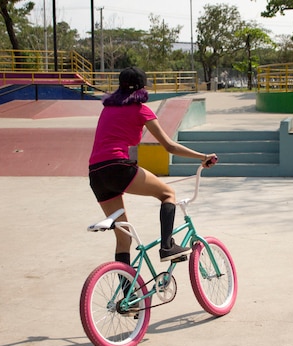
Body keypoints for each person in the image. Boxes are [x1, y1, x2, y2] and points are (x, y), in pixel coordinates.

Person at [88, 67, 217, 265]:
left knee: (124, 238)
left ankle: (125, 295)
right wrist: (203, 156)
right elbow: (169, 146)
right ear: (143, 87)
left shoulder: (108, 109)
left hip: (96, 174)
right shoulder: (141, 110)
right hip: (118, 167)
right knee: (168, 194)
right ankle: (167, 247)